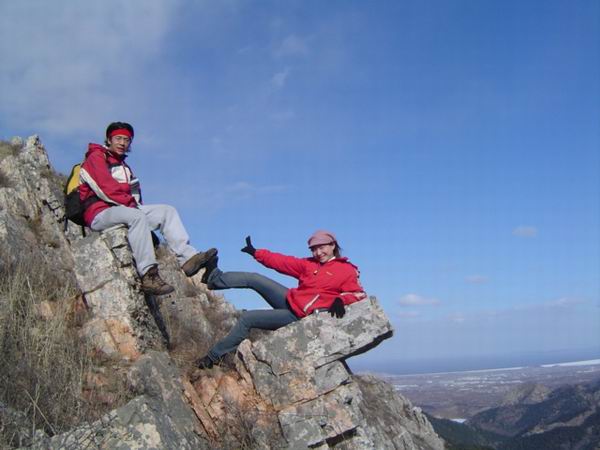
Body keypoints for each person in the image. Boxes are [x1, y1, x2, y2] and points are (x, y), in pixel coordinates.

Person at [79, 121, 217, 296]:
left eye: (127, 140)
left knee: (167, 211)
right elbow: (105, 188)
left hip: (123, 210)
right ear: (109, 139)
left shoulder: (124, 167)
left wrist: (144, 227)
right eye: (118, 138)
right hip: (99, 213)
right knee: (137, 217)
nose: (122, 143)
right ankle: (148, 275)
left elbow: (135, 199)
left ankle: (188, 258)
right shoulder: (96, 157)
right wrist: (137, 214)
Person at [196, 230, 367, 369]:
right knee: (254, 279)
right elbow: (283, 262)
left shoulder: (346, 270)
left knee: (247, 318)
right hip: (289, 299)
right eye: (314, 249)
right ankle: (213, 278)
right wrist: (257, 253)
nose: (318, 253)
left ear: (333, 245)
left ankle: (212, 357)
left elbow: (359, 294)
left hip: (299, 316)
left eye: (322, 248)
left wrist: (340, 300)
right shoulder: (310, 264)